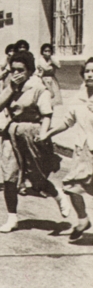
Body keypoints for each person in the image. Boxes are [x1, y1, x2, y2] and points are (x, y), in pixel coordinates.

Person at [0, 51, 70, 233]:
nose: (16, 73)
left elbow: (47, 115)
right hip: (12, 133)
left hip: (32, 133)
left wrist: (44, 133)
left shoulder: (38, 88)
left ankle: (58, 196)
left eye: (20, 70)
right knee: (9, 176)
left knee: (36, 178)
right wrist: (11, 87)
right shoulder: (12, 87)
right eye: (13, 70)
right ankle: (12, 217)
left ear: (29, 70)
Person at [40, 58, 93, 241]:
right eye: (87, 71)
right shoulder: (79, 97)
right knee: (71, 187)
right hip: (82, 151)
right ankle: (83, 220)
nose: (90, 75)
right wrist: (48, 133)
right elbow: (67, 122)